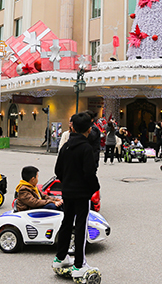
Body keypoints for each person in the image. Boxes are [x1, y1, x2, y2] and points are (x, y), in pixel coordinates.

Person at [53, 112, 100, 277]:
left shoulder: (66, 146)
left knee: (67, 222)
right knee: (81, 226)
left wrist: (67, 182)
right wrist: (93, 187)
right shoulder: (86, 148)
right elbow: (89, 172)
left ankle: (60, 257)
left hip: (67, 192)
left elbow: (57, 170)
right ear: (89, 129)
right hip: (81, 194)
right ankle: (79, 264)